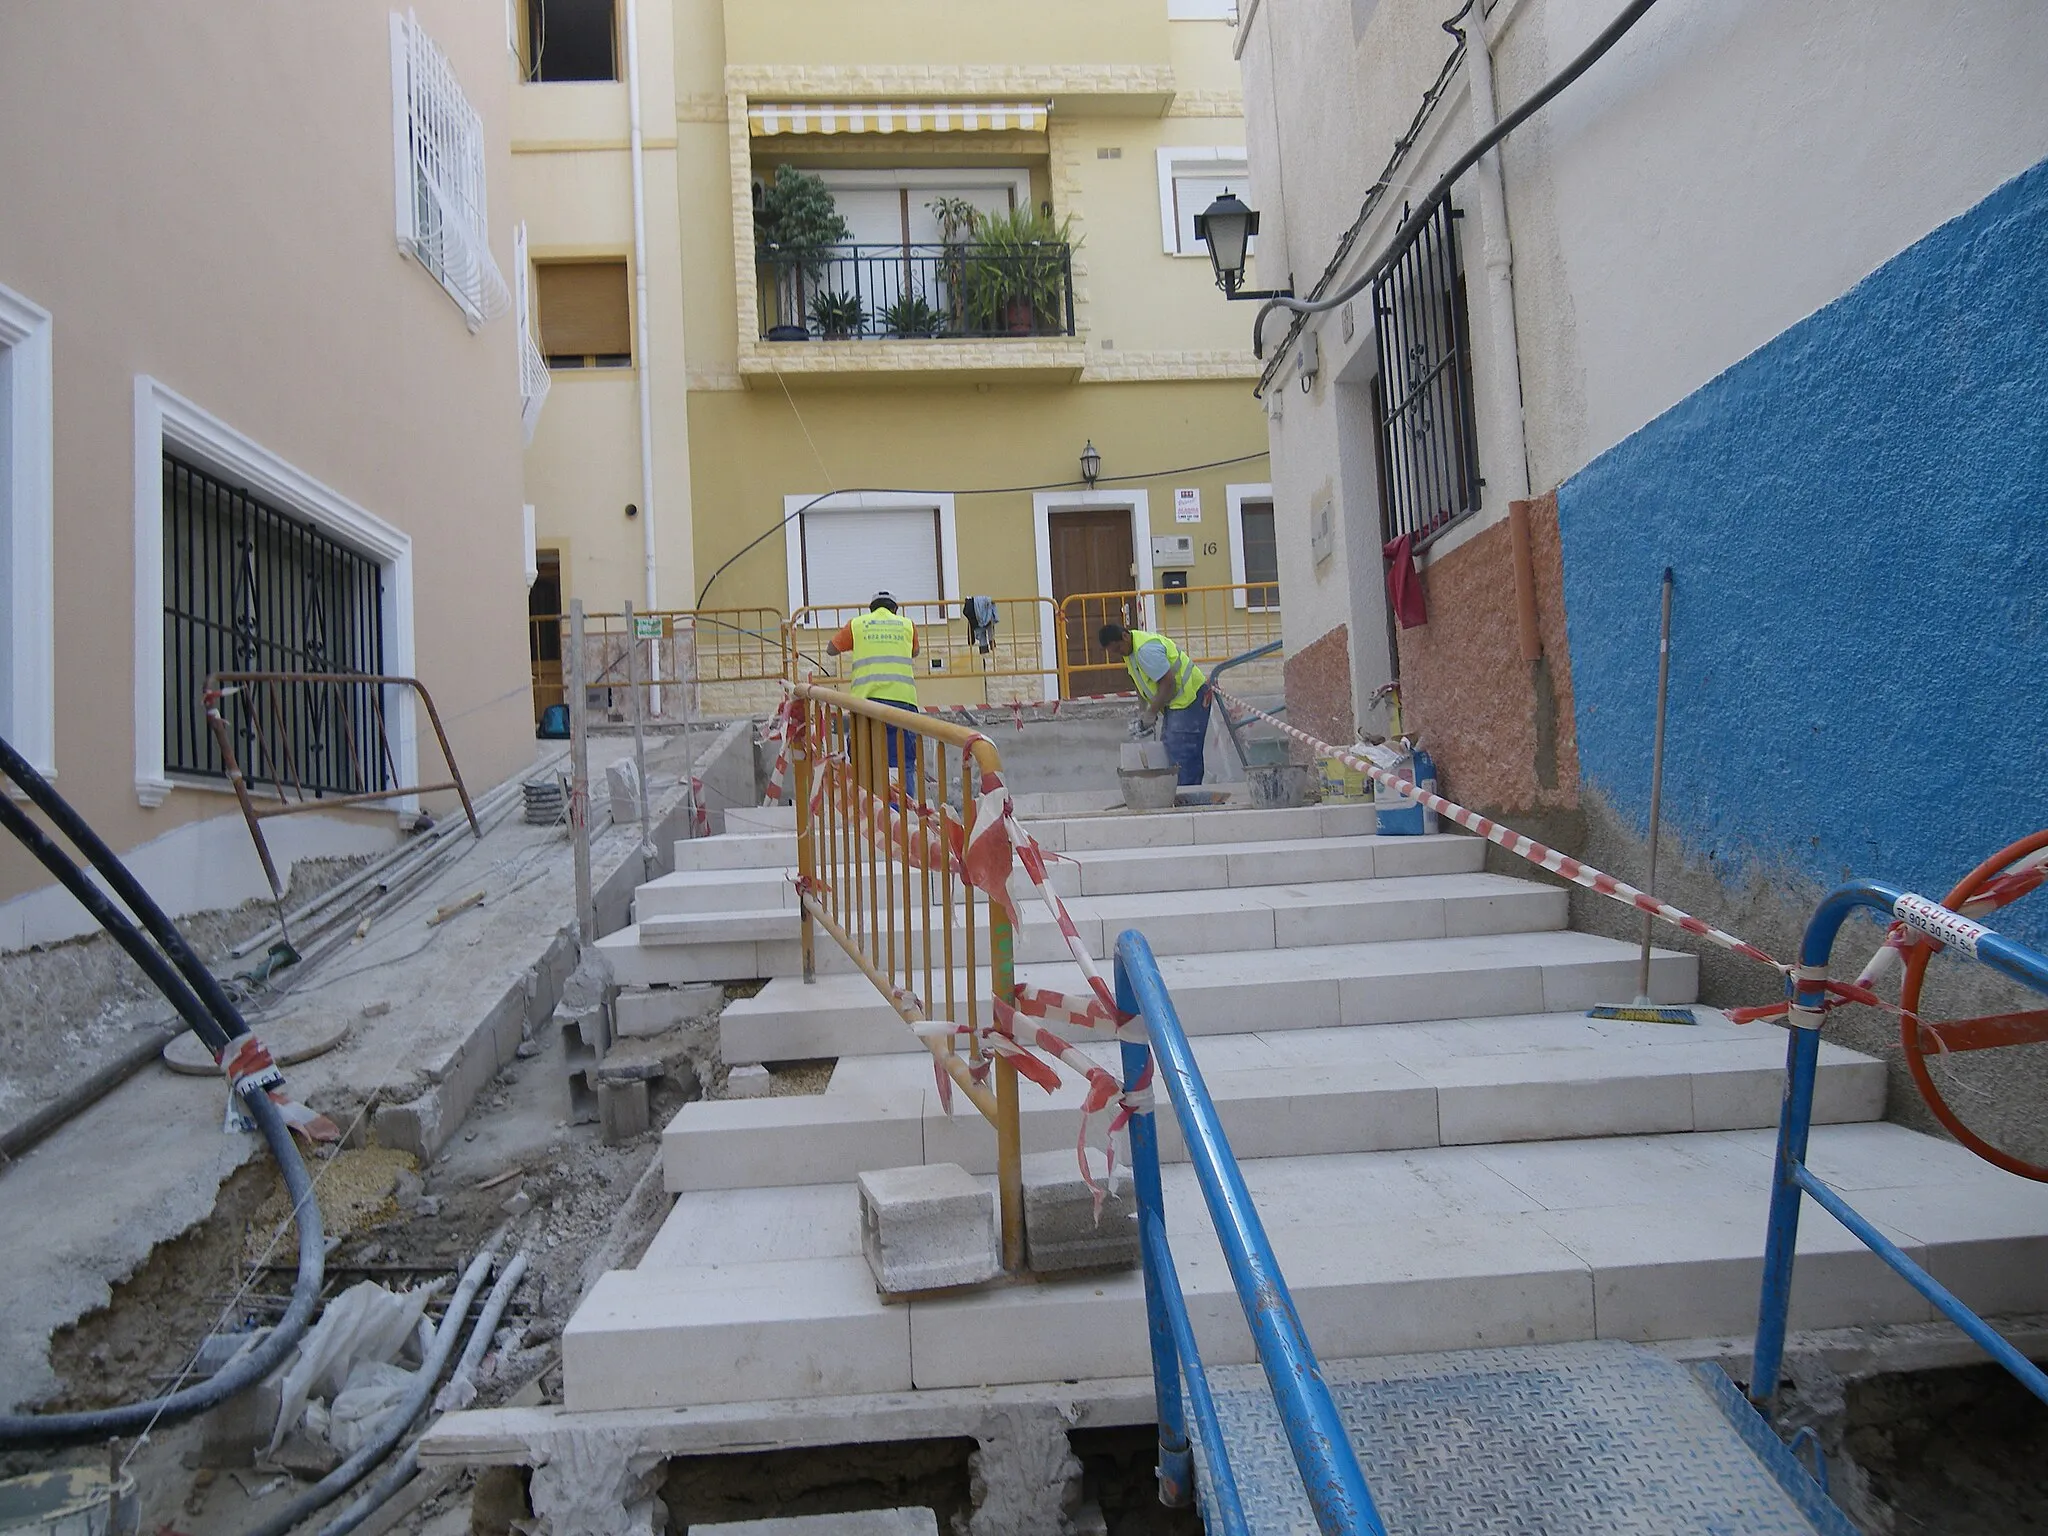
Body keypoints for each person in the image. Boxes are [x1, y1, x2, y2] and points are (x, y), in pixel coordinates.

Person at [1099, 621, 1210, 786]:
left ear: (1124, 636)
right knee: (1170, 747)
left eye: (1117, 649)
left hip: (1190, 697)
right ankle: (1182, 796)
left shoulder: (1146, 650)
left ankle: (1188, 799)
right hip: (1177, 702)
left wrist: (1152, 712)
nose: (1118, 654)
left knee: (1181, 751)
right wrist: (1143, 710)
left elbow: (1169, 684)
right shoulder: (1130, 652)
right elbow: (1140, 682)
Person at [828, 591, 920, 783]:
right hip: (902, 703)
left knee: (863, 761)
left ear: (871, 609)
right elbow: (915, 652)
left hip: (865, 705)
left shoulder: (858, 624)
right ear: (895, 610)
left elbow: (831, 649)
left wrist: (861, 642)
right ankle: (900, 811)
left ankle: (868, 808)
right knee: (902, 763)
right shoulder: (907, 625)